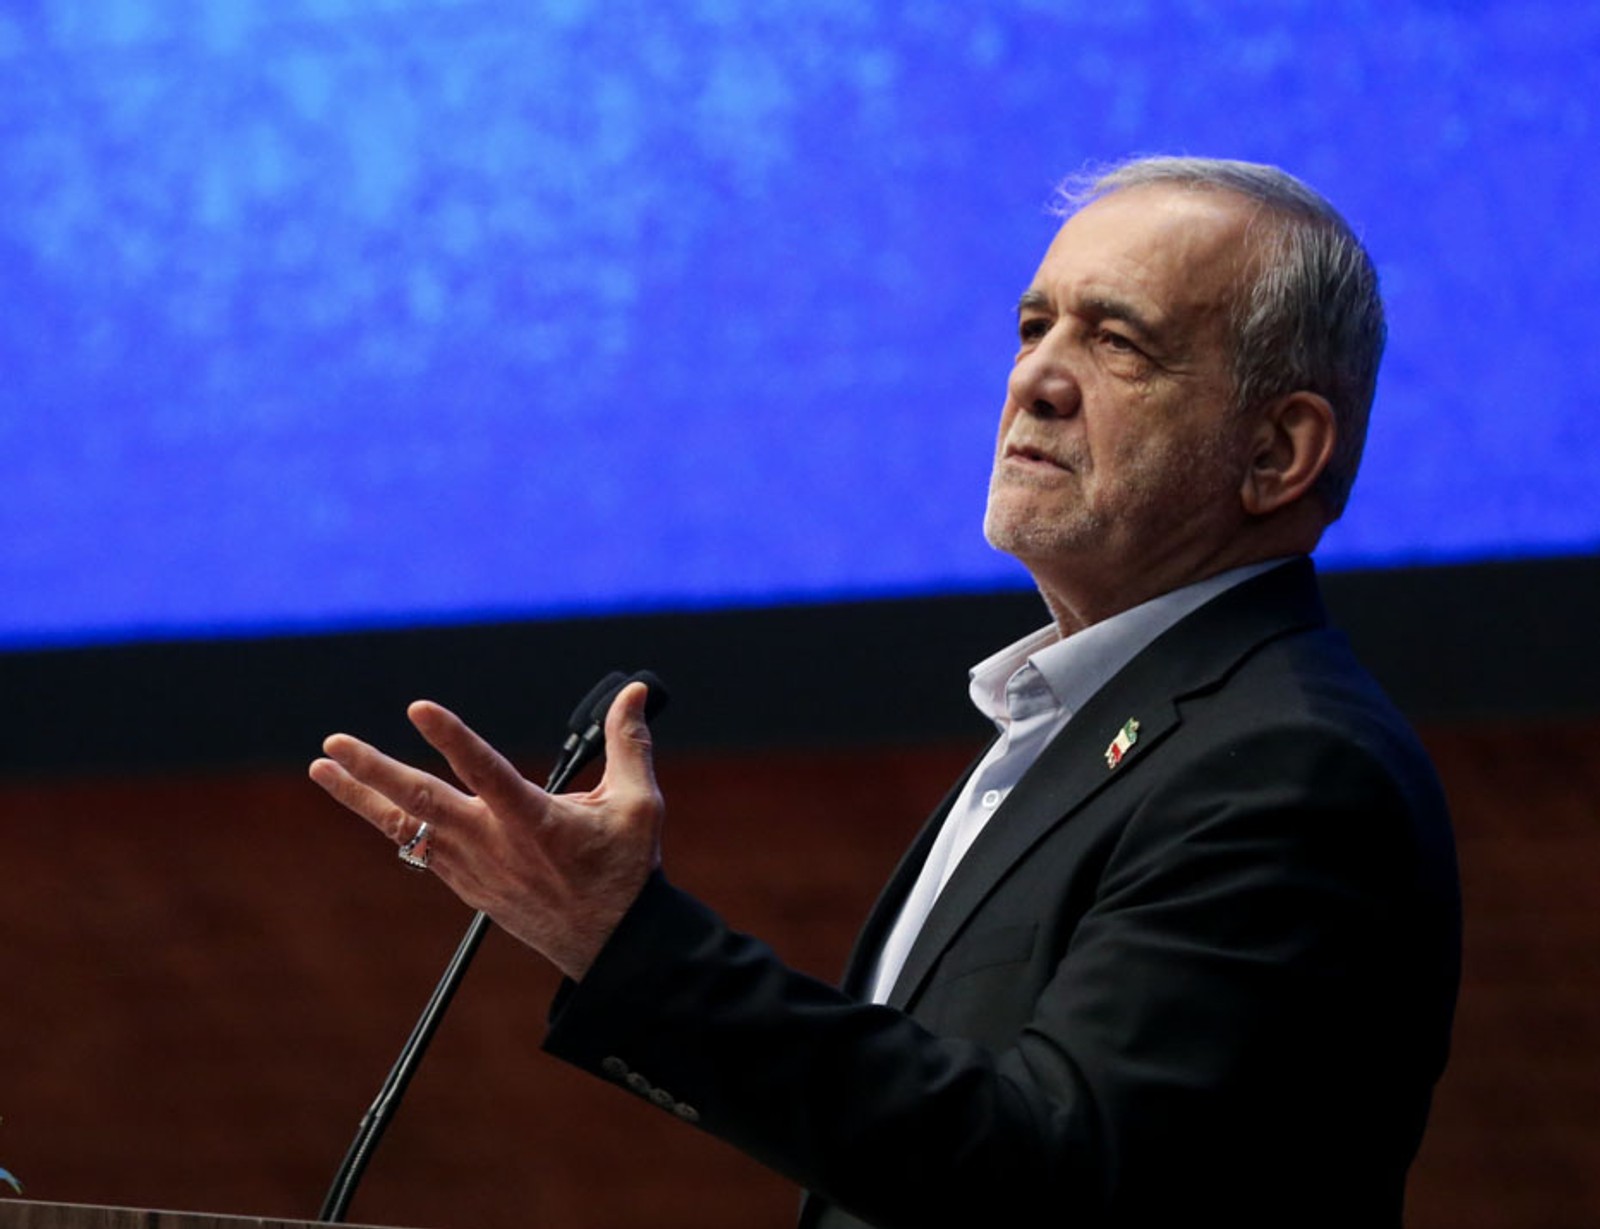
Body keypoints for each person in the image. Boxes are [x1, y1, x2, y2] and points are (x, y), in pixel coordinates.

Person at [310, 156, 1461, 1228]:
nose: (1035, 379)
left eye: (1118, 342)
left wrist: (627, 942)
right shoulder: (1072, 727)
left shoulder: (1288, 765)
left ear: (1276, 452)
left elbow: (1054, 1176)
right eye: (1034, 326)